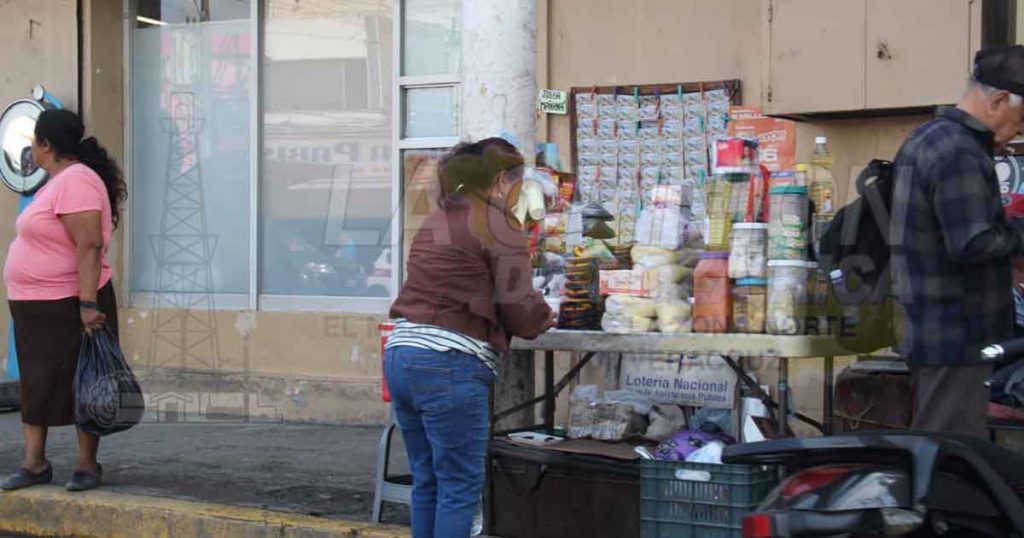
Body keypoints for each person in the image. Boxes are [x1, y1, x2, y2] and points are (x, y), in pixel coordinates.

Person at [385, 138, 555, 538]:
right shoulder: (498, 224)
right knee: (460, 486)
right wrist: (546, 314)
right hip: (447, 364)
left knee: (428, 479)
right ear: (500, 182)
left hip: (402, 353)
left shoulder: (437, 219)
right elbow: (522, 314)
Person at [891, 46, 1024, 438]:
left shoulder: (930, 138)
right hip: (957, 336)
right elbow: (973, 242)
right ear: (999, 101)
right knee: (949, 457)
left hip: (938, 332)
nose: (1019, 130)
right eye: (1022, 118)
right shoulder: (959, 151)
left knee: (944, 452)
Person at [1, 108, 125, 491]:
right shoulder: (56, 182)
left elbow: (88, 244)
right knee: (37, 383)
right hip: (37, 306)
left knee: (84, 382)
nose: (31, 150)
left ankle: (87, 465)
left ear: (45, 145)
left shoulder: (77, 180)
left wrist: (88, 305)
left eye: (33, 142)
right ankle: (34, 463)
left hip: (70, 303)